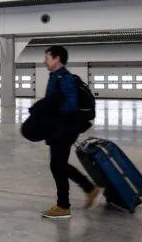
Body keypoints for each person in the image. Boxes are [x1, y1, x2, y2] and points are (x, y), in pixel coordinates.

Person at [40, 45, 101, 219]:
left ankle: (63, 206)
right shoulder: (55, 76)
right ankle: (89, 190)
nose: (45, 60)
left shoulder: (64, 78)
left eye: (48, 57)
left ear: (57, 58)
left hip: (64, 128)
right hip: (58, 127)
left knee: (58, 165)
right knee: (57, 165)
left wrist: (52, 107)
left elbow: (70, 106)